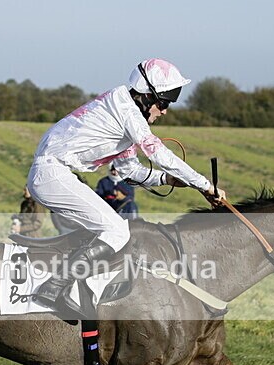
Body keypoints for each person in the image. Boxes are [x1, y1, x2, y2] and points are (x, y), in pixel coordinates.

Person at [27, 58, 226, 316]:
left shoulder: (123, 111)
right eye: (163, 103)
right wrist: (205, 186)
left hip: (55, 173)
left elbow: (129, 170)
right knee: (117, 231)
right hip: (52, 173)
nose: (164, 111)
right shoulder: (127, 110)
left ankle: (78, 289)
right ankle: (54, 287)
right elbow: (158, 154)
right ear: (146, 96)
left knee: (112, 231)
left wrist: (167, 180)